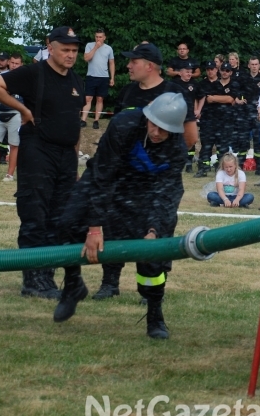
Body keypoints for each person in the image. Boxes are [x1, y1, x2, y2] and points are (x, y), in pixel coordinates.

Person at [54, 93, 188, 339]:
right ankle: (73, 286)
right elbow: (103, 176)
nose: (157, 133)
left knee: (153, 258)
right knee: (68, 223)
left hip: (146, 192)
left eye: (164, 129)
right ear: (147, 116)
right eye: (154, 125)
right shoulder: (123, 124)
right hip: (106, 177)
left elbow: (166, 195)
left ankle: (154, 314)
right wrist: (95, 227)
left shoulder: (177, 149)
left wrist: (154, 230)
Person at [0, 26, 85, 300]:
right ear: (50, 47)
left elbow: (75, 123)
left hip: (65, 156)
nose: (70, 55)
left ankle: (47, 278)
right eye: (65, 50)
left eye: (74, 51)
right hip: (38, 150)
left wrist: (74, 165)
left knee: (59, 218)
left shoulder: (76, 79)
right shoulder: (34, 72)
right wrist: (23, 109)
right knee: (35, 214)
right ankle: (32, 280)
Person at [93, 42, 198, 300]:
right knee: (114, 226)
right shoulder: (128, 92)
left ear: (149, 66)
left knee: (156, 229)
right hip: (125, 176)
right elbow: (116, 132)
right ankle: (110, 283)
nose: (128, 65)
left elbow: (189, 136)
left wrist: (159, 159)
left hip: (157, 177)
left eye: (134, 61)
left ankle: (151, 289)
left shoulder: (174, 92)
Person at [193, 61, 232, 177]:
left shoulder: (221, 83)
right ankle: (203, 168)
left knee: (222, 146)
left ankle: (221, 169)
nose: (210, 71)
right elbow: (198, 98)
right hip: (207, 118)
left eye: (212, 69)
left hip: (221, 119)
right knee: (206, 145)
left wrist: (214, 98)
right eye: (208, 69)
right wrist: (197, 111)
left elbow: (228, 99)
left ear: (216, 70)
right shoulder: (201, 84)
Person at [168, 61, 203, 172]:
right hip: (177, 116)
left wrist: (198, 109)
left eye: (191, 72)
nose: (189, 74)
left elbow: (202, 97)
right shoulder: (173, 84)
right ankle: (176, 162)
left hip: (190, 116)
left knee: (191, 140)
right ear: (181, 72)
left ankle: (189, 163)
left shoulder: (195, 84)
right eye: (187, 72)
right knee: (175, 138)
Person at [80, 29, 115, 129]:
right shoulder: (89, 45)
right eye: (96, 37)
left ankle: (96, 120)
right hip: (91, 75)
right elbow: (86, 59)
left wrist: (112, 77)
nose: (98, 39)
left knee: (100, 99)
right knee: (88, 98)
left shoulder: (109, 48)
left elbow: (111, 63)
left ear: (104, 38)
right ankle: (83, 120)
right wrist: (95, 47)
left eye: (100, 37)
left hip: (103, 77)